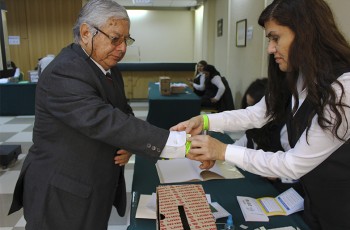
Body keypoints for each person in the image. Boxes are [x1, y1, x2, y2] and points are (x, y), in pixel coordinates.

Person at [8, 1, 188, 229]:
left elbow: (123, 112)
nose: (122, 48)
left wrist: (130, 145)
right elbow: (107, 121)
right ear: (86, 33)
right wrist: (179, 145)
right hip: (62, 193)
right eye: (115, 38)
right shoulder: (65, 72)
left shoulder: (107, 66)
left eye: (126, 40)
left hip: (94, 186)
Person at [171, 0, 350, 229]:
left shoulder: (343, 88)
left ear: (306, 33)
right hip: (313, 202)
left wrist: (223, 150)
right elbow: (257, 114)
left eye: (276, 38)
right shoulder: (298, 75)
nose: (270, 49)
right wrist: (205, 120)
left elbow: (293, 164)